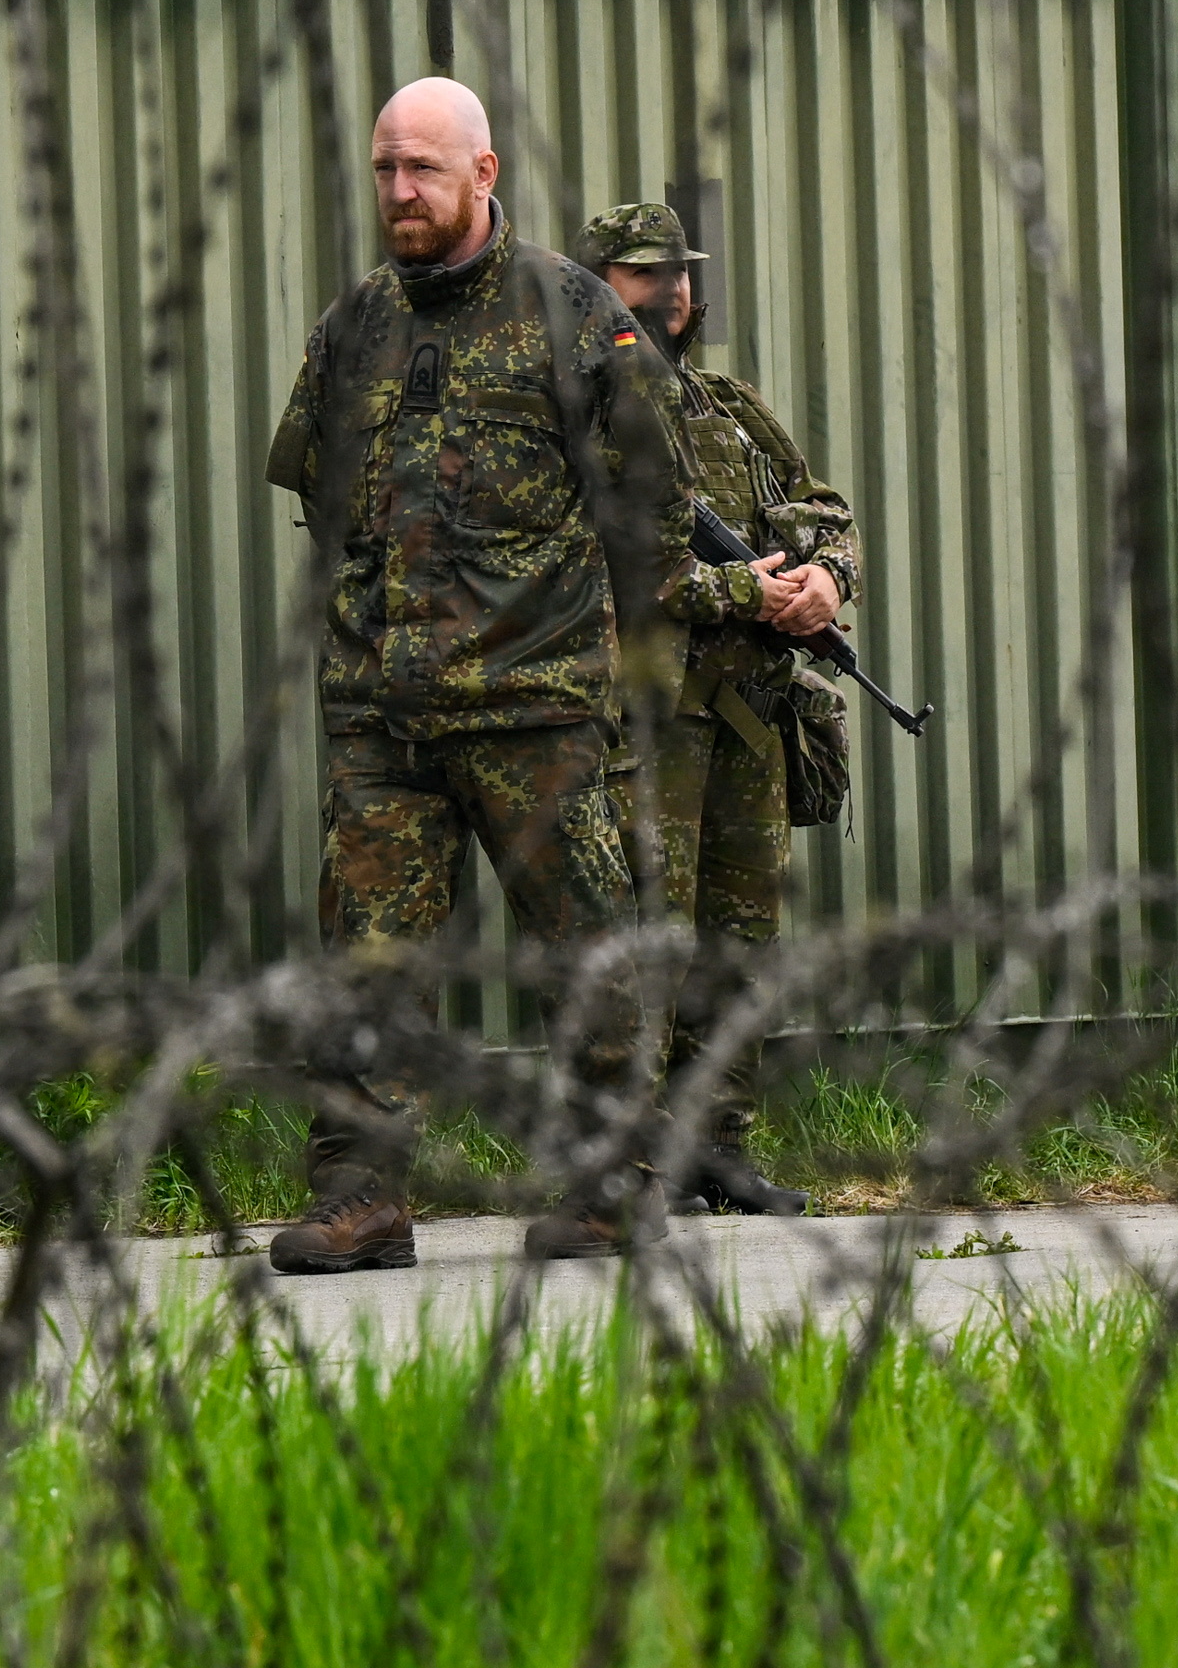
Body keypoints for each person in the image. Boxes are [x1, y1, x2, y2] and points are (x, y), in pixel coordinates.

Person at [259, 78, 691, 1274]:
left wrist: (593, 655)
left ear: (483, 174)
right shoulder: (352, 325)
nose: (400, 192)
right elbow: (317, 488)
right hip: (380, 712)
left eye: (425, 171)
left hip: (533, 705)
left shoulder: (573, 313)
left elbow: (652, 502)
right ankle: (362, 1197)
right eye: (386, 168)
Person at [571, 197, 858, 1215]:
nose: (675, 289)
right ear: (600, 287)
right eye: (649, 273)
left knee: (738, 945)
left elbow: (823, 504)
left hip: (747, 712)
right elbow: (609, 563)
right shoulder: (577, 413)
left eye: (683, 270)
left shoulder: (728, 403)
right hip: (645, 723)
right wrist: (751, 591)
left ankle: (718, 1148)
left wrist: (827, 577)